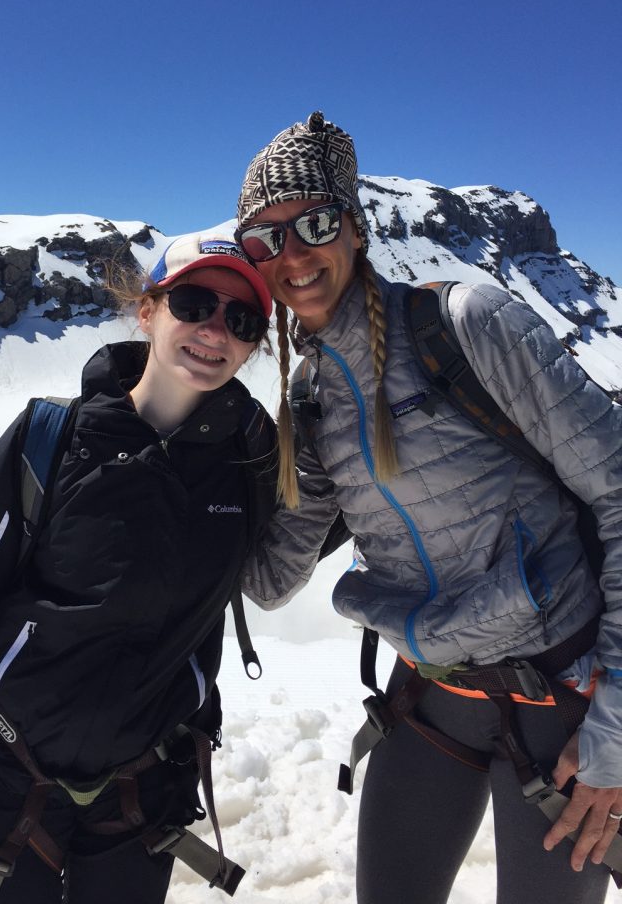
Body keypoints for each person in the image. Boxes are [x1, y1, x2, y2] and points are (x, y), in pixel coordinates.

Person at [234, 111, 622, 904]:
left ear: (354, 224)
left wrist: (617, 729)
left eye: (311, 222)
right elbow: (272, 579)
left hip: (564, 704)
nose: (292, 255)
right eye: (264, 239)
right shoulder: (310, 397)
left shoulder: (464, 324)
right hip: (431, 694)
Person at [0, 232, 279, 904]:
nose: (214, 330)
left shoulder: (251, 463)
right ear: (149, 310)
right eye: (195, 302)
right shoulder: (49, 442)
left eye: (242, 319)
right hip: (6, 783)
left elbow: (328, 522)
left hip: (145, 789)